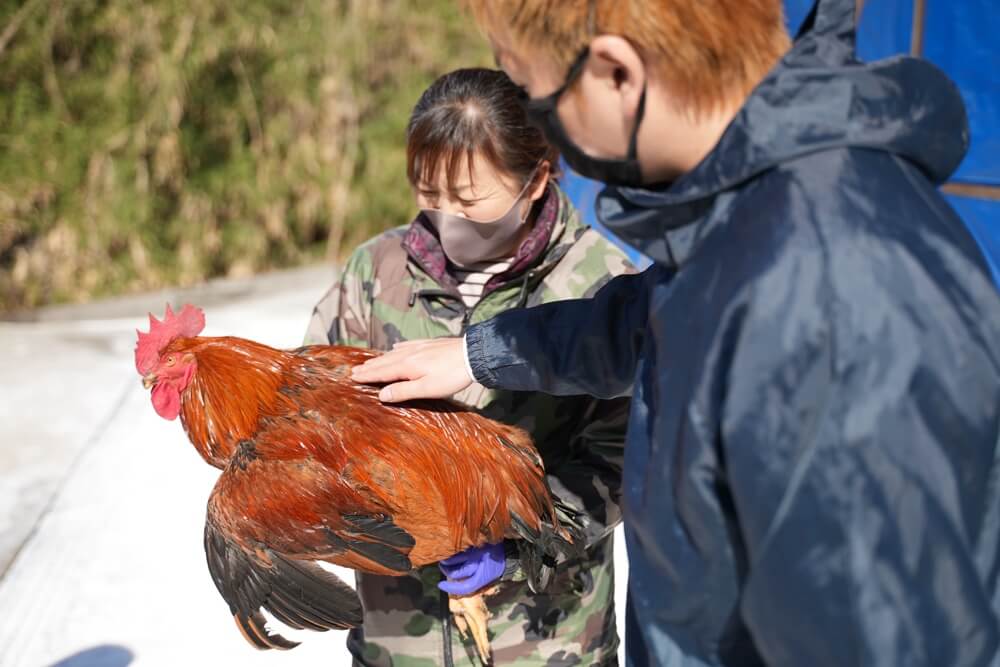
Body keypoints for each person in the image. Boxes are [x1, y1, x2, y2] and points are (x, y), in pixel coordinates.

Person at [352, 0, 1000, 665]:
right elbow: (641, 322)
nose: (535, 115)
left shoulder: (824, 292)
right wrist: (479, 351)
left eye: (529, 88)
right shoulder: (752, 215)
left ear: (614, 74)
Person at [305, 67, 634, 666]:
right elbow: (316, 416)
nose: (446, 219)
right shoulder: (373, 275)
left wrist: (519, 542)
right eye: (429, 197)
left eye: (469, 200)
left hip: (546, 641)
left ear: (535, 181)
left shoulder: (598, 289)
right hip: (399, 644)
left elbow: (624, 453)